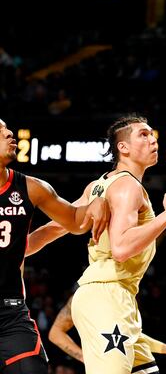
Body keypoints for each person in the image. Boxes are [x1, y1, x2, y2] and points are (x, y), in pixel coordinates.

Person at [25, 115, 166, 374]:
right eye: (144, 135)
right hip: (107, 295)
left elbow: (54, 229)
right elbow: (122, 249)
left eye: (152, 134)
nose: (153, 140)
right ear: (123, 147)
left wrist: (14, 250)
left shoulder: (97, 186)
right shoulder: (128, 186)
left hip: (112, 296)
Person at [0, 118, 109, 374]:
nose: (10, 133)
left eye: (7, 128)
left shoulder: (32, 188)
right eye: (0, 130)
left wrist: (95, 204)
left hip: (10, 313)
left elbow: (75, 222)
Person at [48, 294, 166, 364]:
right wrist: (83, 357)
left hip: (128, 364)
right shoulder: (83, 296)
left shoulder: (126, 293)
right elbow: (55, 333)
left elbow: (128, 337)